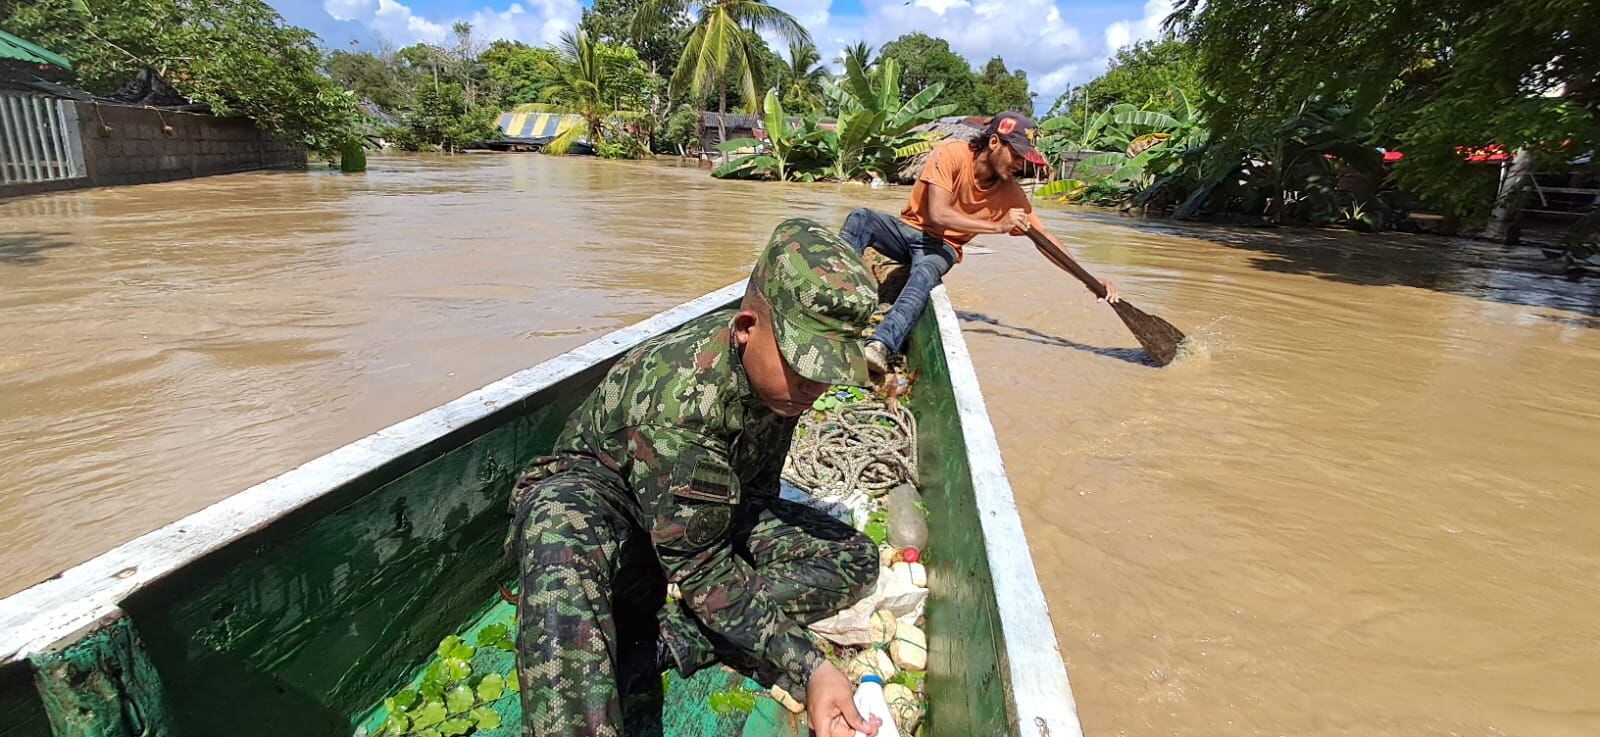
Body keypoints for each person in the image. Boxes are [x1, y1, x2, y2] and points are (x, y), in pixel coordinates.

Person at [508, 218, 884, 737]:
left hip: (701, 518)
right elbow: (705, 567)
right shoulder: (682, 402)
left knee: (854, 557)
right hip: (611, 518)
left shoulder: (779, 384)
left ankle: (660, 641)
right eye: (802, 366)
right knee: (556, 528)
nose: (812, 387)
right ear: (747, 326)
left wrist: (734, 570)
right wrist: (812, 666)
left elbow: (754, 493)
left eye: (826, 371)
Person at [840, 111, 1121, 373]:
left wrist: (1090, 280)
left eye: (1025, 160)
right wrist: (997, 226)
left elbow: (1043, 238)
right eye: (1017, 156)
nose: (1020, 165)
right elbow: (938, 215)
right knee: (861, 217)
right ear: (995, 142)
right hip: (907, 231)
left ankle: (881, 345)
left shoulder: (1009, 192)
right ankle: (836, 299)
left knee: (926, 272)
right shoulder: (951, 154)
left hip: (942, 248)